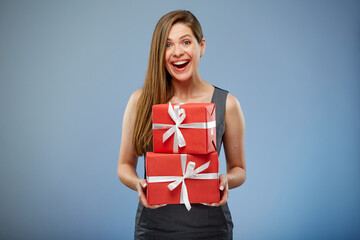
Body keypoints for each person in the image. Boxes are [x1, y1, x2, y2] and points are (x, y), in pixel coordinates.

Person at [117, 10, 246, 240]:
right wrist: (139, 183)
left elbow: (239, 170)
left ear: (201, 46)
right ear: (159, 52)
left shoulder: (227, 104)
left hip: (211, 228)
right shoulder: (140, 101)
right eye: (167, 45)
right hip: (153, 227)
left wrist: (226, 179)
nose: (177, 52)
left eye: (186, 42)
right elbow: (124, 165)